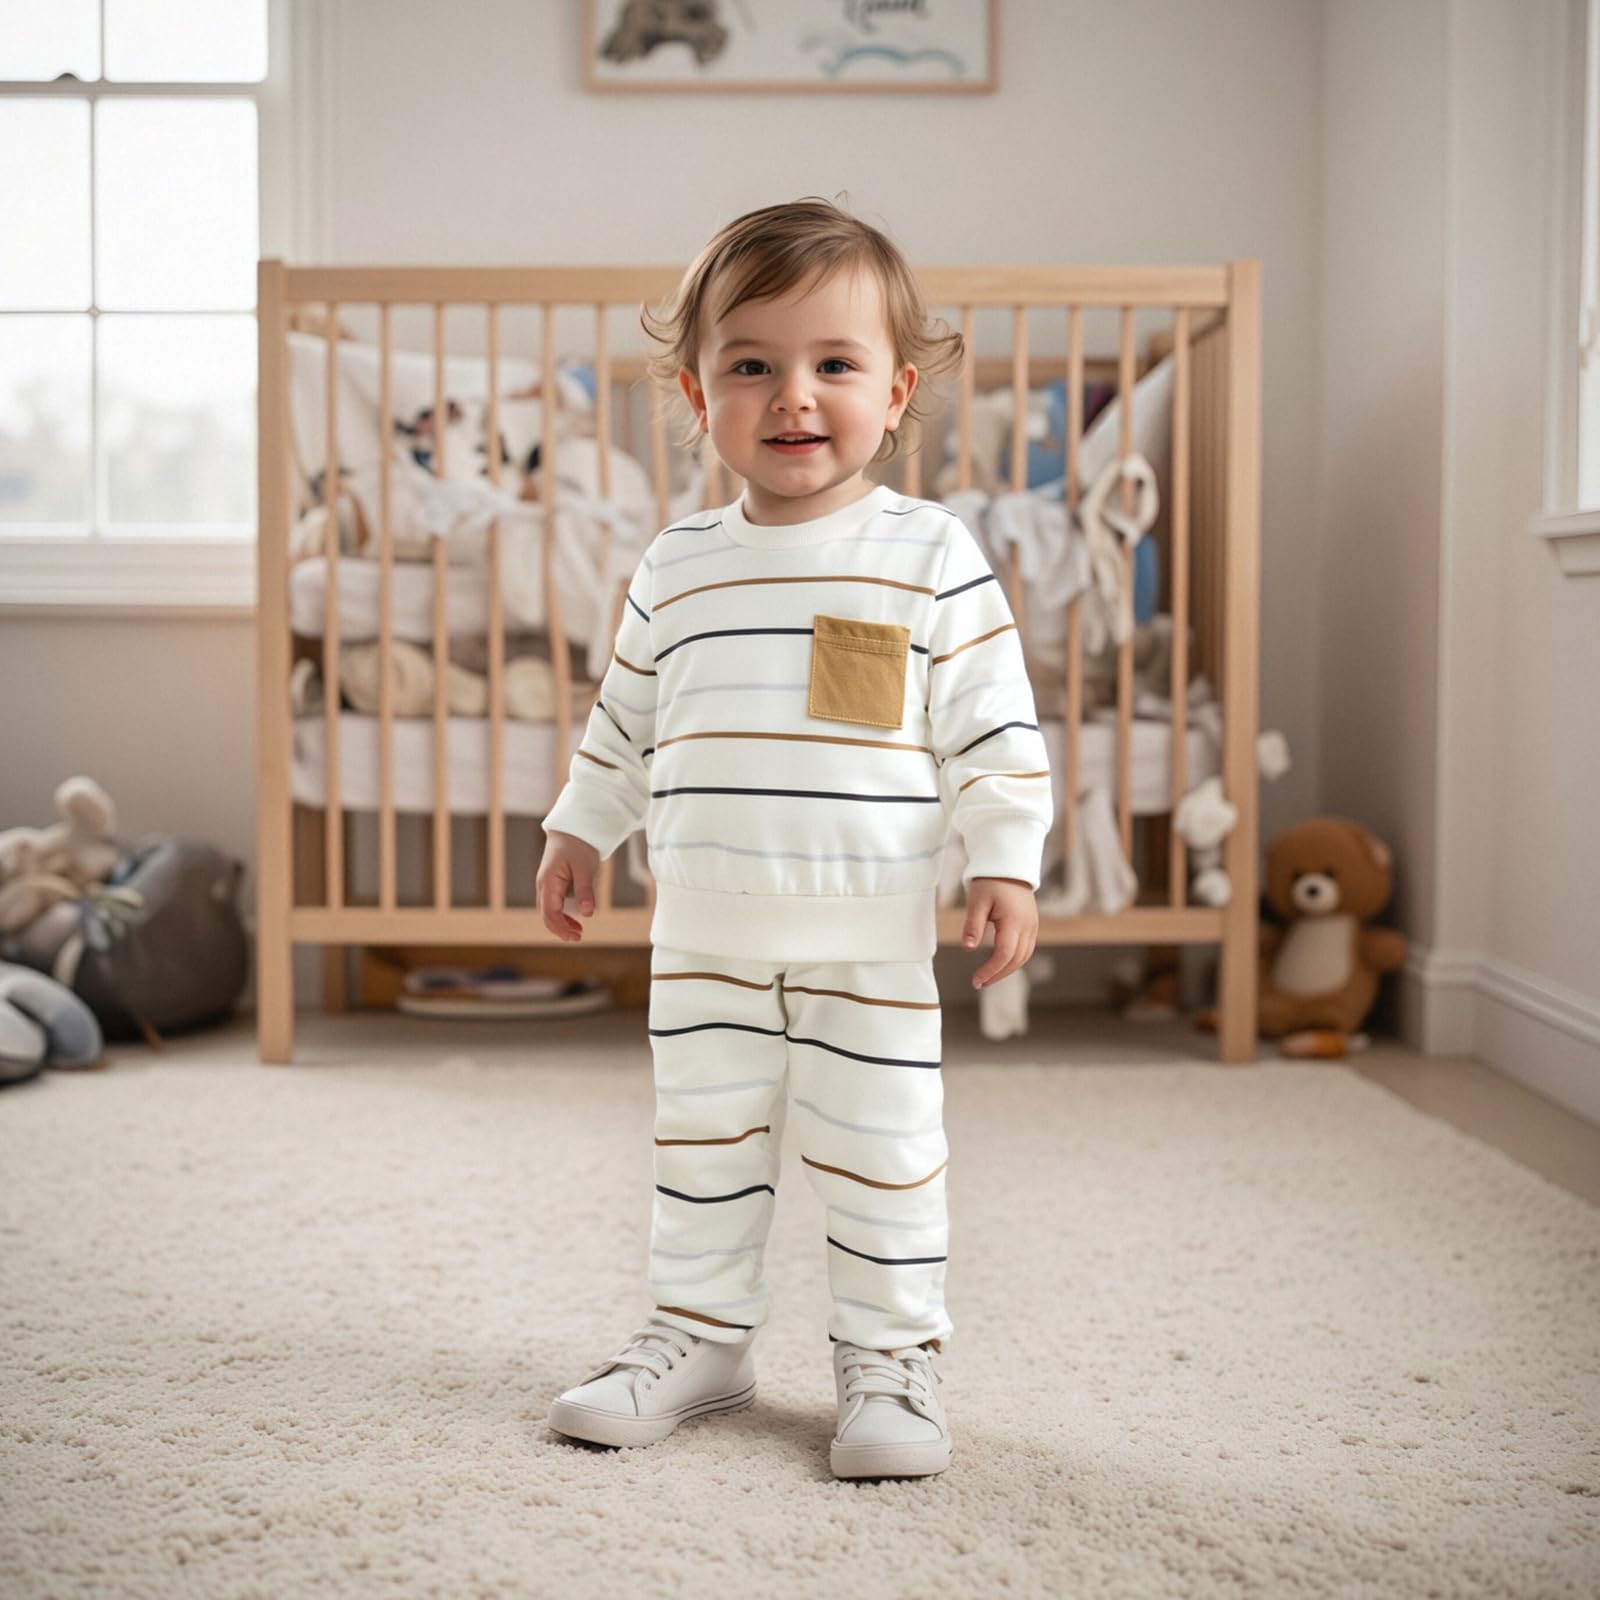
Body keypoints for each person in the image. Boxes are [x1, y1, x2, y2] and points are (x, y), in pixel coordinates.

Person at [538, 197, 1053, 1478]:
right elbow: (623, 721)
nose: (794, 397)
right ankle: (701, 1334)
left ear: (896, 392)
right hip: (701, 935)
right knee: (701, 1149)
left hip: (865, 941)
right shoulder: (676, 563)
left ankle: (890, 1356)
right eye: (752, 365)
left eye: (834, 363)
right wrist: (580, 827)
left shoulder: (926, 553)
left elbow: (992, 725)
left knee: (882, 1156)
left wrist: (1003, 855)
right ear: (695, 393)